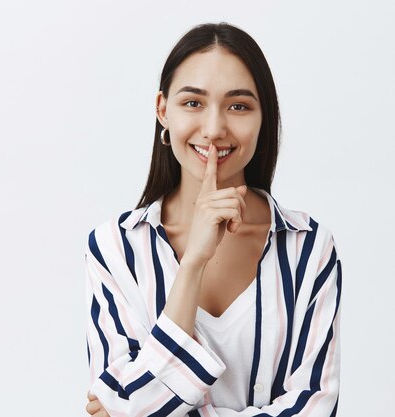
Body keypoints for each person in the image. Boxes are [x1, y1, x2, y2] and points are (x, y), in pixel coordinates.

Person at [84, 22, 342, 417]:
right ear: (162, 110)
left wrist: (140, 405)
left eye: (238, 106)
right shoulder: (115, 249)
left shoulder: (309, 248)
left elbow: (314, 407)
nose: (214, 129)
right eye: (193, 103)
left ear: (264, 117)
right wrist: (193, 264)